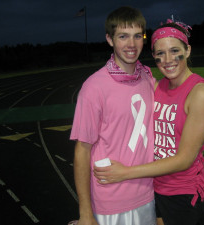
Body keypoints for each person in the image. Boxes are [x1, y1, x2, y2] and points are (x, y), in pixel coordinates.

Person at [94, 18, 204, 225]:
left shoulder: (200, 93)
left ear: (187, 51)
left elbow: (184, 160)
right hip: (153, 188)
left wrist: (125, 173)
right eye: (160, 53)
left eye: (174, 51)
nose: (168, 59)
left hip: (182, 194)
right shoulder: (157, 87)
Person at [70, 6, 156, 225]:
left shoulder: (147, 78)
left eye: (137, 36)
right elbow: (82, 151)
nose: (131, 44)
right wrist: (85, 213)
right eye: (123, 36)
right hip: (111, 203)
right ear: (109, 39)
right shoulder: (94, 87)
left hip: (148, 194)